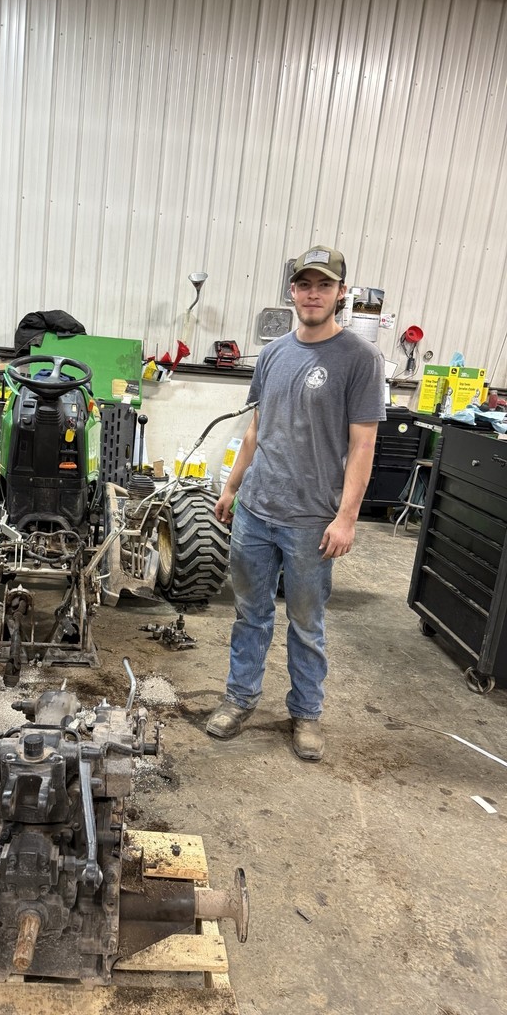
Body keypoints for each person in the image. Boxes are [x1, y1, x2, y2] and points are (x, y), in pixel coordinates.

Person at [206, 245, 386, 761]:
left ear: (340, 294)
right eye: (304, 284)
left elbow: (363, 444)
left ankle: (305, 714)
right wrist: (233, 487)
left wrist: (347, 517)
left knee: (306, 623)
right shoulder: (273, 354)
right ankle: (240, 699)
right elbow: (257, 429)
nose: (313, 293)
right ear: (292, 291)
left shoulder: (360, 359)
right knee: (250, 613)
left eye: (324, 285)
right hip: (256, 511)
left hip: (312, 520)